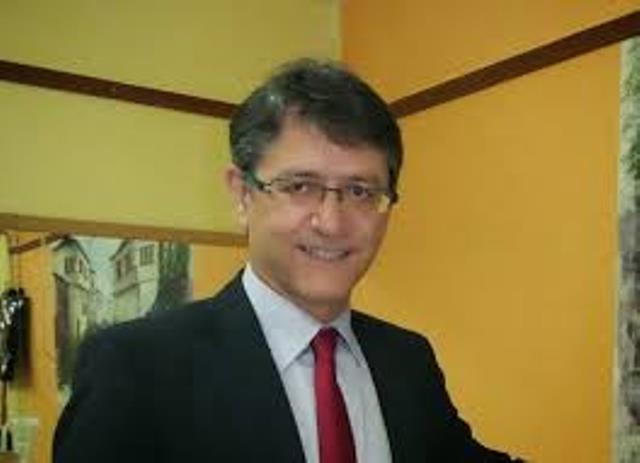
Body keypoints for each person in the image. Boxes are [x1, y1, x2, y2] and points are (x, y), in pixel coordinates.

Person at [53, 59, 524, 462]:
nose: (331, 222)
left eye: (361, 191)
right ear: (242, 195)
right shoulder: (136, 368)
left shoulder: (406, 360)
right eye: (300, 186)